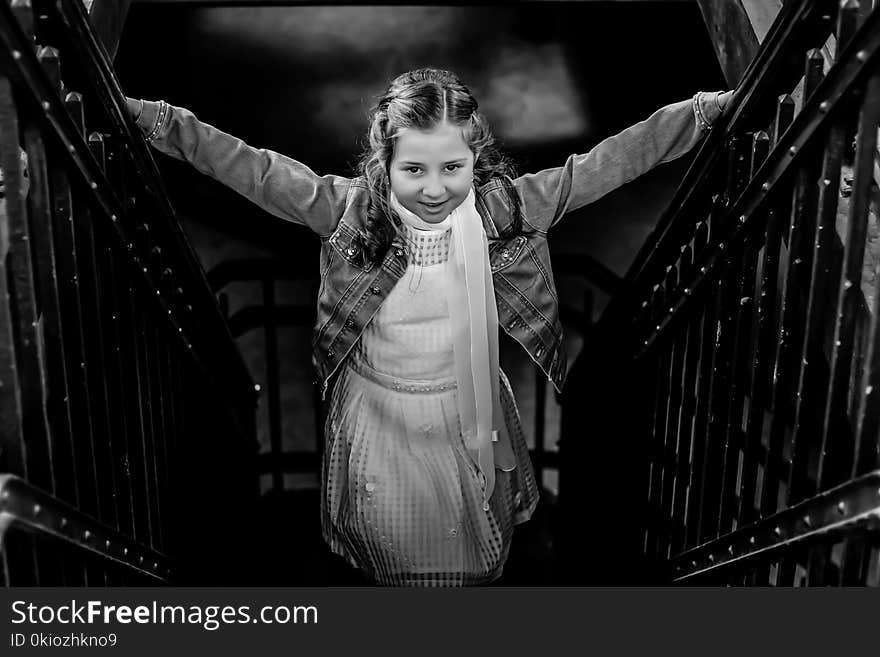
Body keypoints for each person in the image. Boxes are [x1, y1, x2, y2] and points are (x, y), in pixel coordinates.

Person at [126, 68, 732, 586]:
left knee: (463, 552)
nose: (435, 189)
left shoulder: (505, 208)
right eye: (413, 168)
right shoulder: (347, 211)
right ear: (383, 161)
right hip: (381, 416)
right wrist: (159, 122)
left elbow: (605, 165)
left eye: (453, 167)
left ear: (477, 160)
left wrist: (701, 115)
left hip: (462, 417)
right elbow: (252, 170)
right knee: (394, 551)